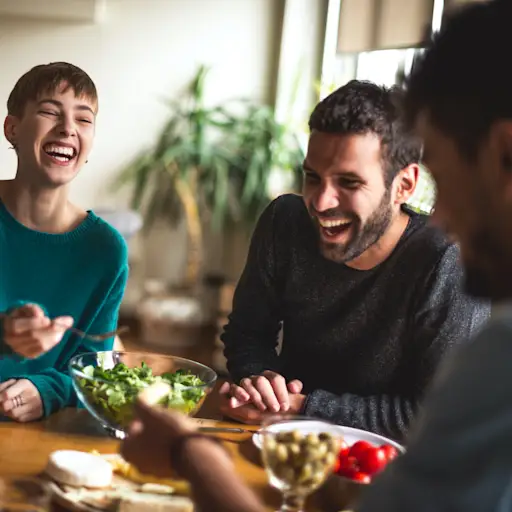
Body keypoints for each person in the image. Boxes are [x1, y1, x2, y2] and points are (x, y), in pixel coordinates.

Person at [219, 80, 489, 440]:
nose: (320, 201)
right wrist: (261, 381)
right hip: (286, 442)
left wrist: (303, 406)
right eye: (312, 177)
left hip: (390, 473)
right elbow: (247, 333)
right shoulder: (284, 222)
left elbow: (440, 414)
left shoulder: (447, 263)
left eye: (348, 183)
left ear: (404, 186)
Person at [355, 0, 512, 510]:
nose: (439, 217)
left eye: (441, 174)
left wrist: (190, 457)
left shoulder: (500, 359)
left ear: (505, 155)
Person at [0, 62, 128, 422]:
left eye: (84, 119)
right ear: (12, 129)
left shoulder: (106, 250)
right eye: (49, 112)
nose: (68, 128)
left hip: (37, 442)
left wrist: (49, 389)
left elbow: (98, 367)